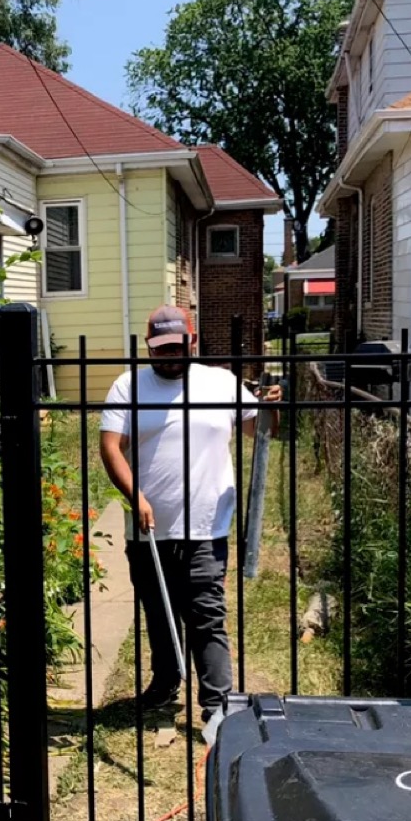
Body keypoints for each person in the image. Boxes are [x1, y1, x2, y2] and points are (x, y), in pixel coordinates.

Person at [97, 306, 281, 747]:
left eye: (177, 348)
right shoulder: (128, 387)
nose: (169, 357)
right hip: (146, 527)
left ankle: (217, 705)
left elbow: (262, 432)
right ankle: (166, 682)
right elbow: (110, 448)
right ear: (149, 348)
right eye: (160, 350)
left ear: (192, 343)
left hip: (205, 526)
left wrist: (273, 408)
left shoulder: (219, 383)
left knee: (205, 615)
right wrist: (135, 497)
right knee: (158, 613)